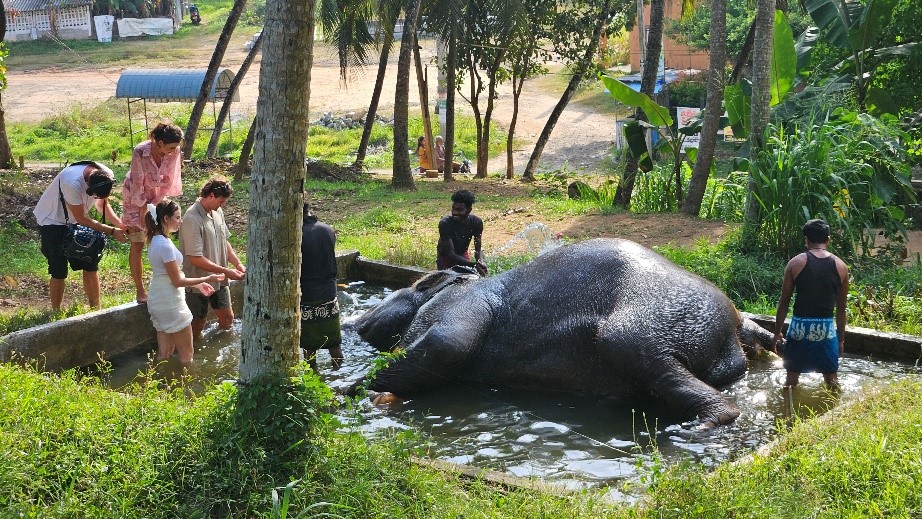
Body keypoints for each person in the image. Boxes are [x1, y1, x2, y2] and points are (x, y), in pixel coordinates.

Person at [33, 161, 128, 310]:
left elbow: (103, 204)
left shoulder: (106, 175)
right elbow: (82, 218)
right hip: (52, 220)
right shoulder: (72, 183)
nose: (96, 198)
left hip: (74, 220)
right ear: (89, 187)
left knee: (90, 263)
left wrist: (120, 224)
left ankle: (96, 310)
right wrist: (111, 231)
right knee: (59, 270)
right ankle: (56, 312)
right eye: (94, 195)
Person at [145, 199, 224, 365]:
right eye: (177, 217)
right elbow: (177, 281)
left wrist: (197, 284)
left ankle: (158, 385)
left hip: (158, 298)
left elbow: (171, 276)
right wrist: (207, 278)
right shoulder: (164, 245)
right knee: (187, 356)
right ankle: (186, 389)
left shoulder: (155, 240)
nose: (181, 221)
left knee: (164, 353)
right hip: (171, 302)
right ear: (166, 219)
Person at [773, 219, 849, 389]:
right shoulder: (841, 266)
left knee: (791, 381)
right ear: (827, 240)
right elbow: (841, 309)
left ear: (806, 239)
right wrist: (841, 339)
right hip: (826, 331)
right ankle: (834, 411)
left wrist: (777, 332)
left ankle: (787, 413)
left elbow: (783, 302)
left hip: (799, 328)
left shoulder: (795, 263)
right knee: (831, 380)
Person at [122, 122, 185, 304]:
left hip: (158, 197)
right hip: (136, 198)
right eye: (171, 147)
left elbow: (170, 179)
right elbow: (137, 181)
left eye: (176, 148)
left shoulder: (175, 152)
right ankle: (140, 290)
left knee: (159, 238)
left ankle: (164, 283)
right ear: (158, 143)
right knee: (138, 242)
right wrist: (143, 207)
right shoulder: (141, 151)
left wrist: (157, 204)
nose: (174, 152)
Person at [178, 178, 246, 337]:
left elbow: (224, 241)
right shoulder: (192, 219)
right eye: (221, 201)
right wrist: (227, 271)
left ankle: (221, 350)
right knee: (197, 323)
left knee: (227, 318)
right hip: (198, 280)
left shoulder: (217, 212)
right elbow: (195, 258)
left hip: (220, 278)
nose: (222, 205)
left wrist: (238, 264)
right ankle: (194, 352)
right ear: (210, 195)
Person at [299, 202, 344, 371]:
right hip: (329, 292)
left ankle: (313, 377)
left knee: (309, 344)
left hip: (307, 293)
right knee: (334, 341)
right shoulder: (328, 230)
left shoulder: (297, 235)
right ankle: (339, 373)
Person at [437, 189, 487, 276]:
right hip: (445, 258)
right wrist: (473, 265)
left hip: (462, 254)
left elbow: (477, 249)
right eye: (453, 208)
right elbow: (450, 254)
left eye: (460, 210)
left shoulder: (476, 222)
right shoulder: (445, 224)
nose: (455, 213)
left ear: (469, 210)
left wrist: (480, 263)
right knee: (448, 282)